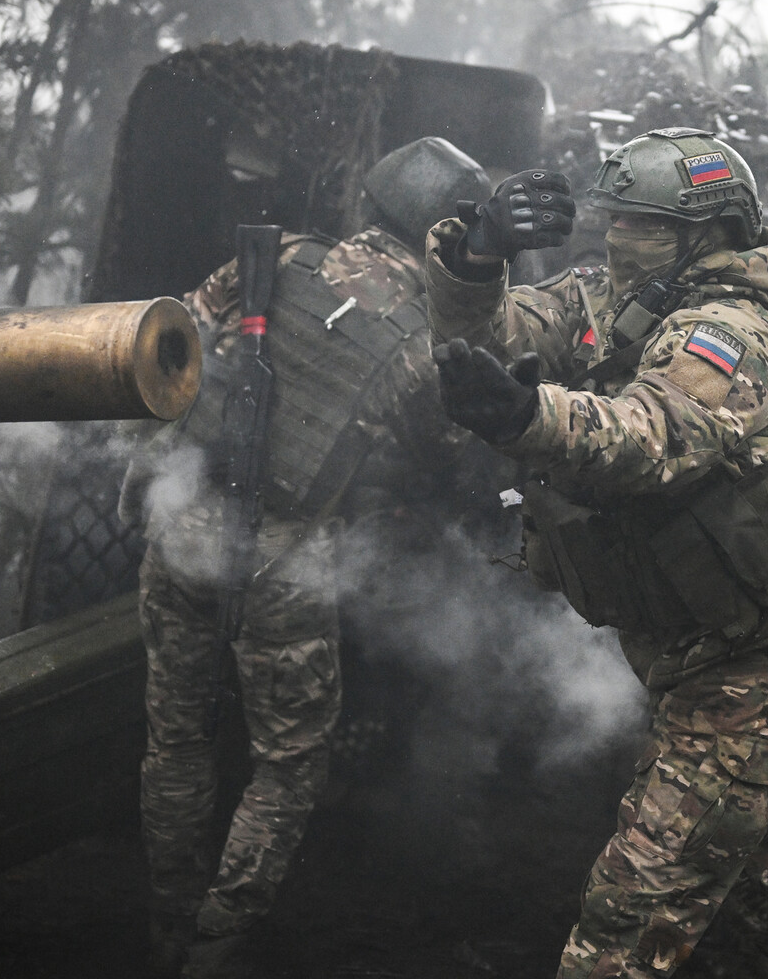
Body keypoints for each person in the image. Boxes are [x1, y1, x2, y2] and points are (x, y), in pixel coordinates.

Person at [427, 127, 768, 978]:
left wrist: (528, 419)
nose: (617, 236)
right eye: (615, 218)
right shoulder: (615, 294)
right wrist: (480, 251)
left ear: (706, 234)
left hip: (746, 664)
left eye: (643, 223)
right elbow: (503, 328)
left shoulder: (732, 332)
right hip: (683, 647)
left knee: (624, 925)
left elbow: (652, 436)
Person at [118, 137, 491, 977]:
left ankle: (169, 925)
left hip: (181, 527)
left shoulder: (276, 256)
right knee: (287, 765)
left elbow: (173, 337)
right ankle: (217, 947)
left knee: (175, 740)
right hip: (283, 564)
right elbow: (441, 455)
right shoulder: (416, 340)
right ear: (449, 237)